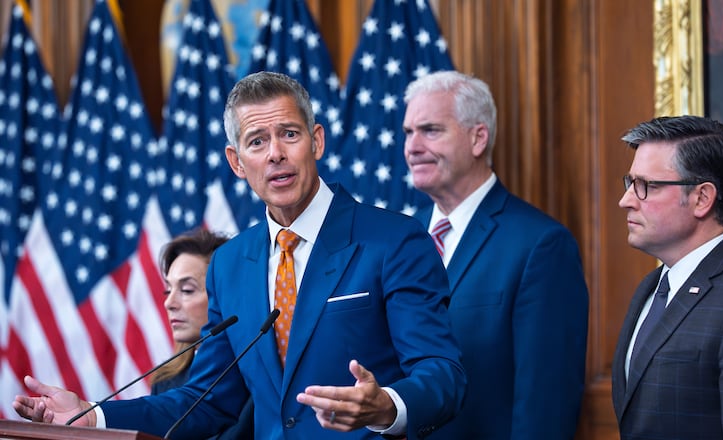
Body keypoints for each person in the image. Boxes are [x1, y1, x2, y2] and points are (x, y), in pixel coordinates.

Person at [13, 71, 467, 439]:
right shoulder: (230, 264)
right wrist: (93, 416)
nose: (275, 154)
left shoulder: (394, 241)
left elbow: (442, 373)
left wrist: (387, 405)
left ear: (317, 142)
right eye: (257, 141)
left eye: (289, 134)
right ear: (236, 162)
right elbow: (209, 399)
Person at [402, 70, 589, 439]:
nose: (412, 146)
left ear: (478, 138)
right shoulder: (402, 237)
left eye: (430, 130)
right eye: (408, 132)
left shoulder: (542, 245)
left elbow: (545, 404)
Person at [612, 115, 723, 439]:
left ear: (702, 198)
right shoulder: (650, 289)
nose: (626, 201)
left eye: (646, 187)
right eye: (630, 183)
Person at [149, 229, 253, 440]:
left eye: (187, 290)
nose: (169, 303)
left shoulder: (256, 375)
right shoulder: (166, 379)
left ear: (225, 295)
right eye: (168, 290)